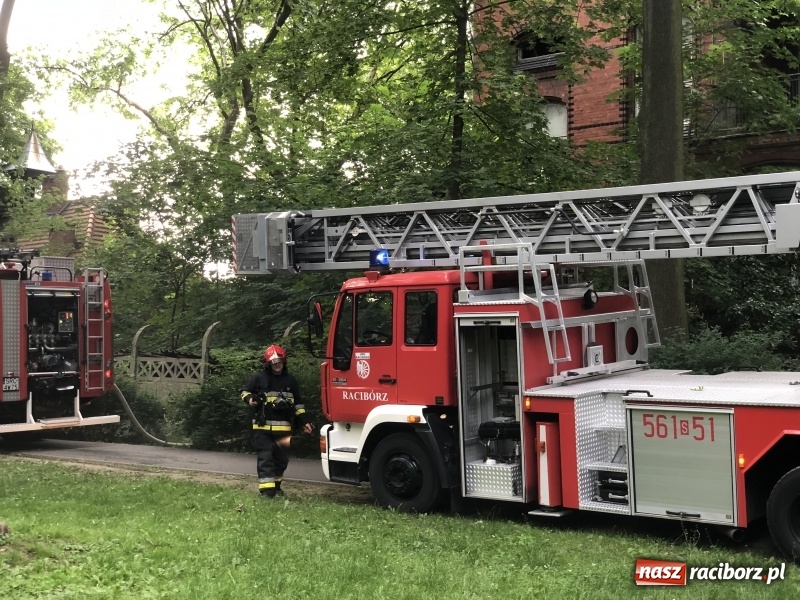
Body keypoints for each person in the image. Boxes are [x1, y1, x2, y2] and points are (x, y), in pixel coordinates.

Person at [241, 344, 313, 498]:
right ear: (268, 363)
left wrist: (304, 421)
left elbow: (298, 405)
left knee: (281, 460)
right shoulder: (259, 378)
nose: (277, 365)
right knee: (265, 458)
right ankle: (267, 491)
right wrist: (250, 399)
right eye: (273, 362)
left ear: (284, 361)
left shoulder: (290, 381)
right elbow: (245, 392)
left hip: (284, 429)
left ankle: (276, 486)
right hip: (262, 428)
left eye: (279, 361)